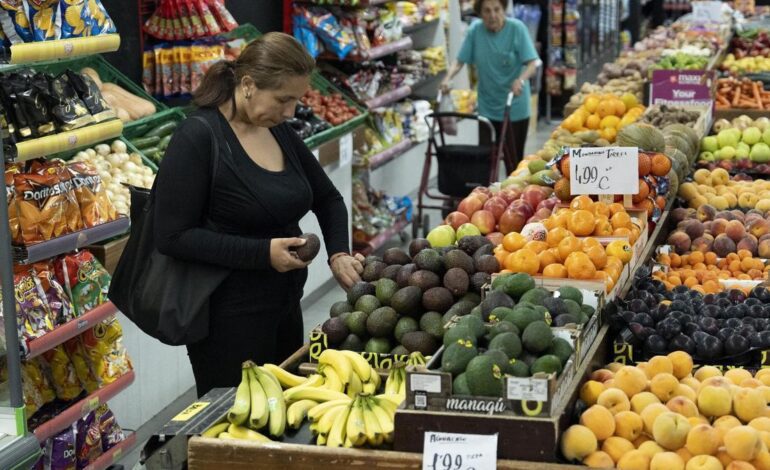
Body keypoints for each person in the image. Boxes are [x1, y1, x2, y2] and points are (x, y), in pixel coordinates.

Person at [153, 32, 364, 397]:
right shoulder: (199, 137)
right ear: (248, 84)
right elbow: (172, 236)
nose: (290, 112)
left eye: (296, 100)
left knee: (282, 418)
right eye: (283, 99)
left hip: (284, 306)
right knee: (238, 429)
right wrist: (262, 253)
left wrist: (338, 253)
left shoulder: (280, 132)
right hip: (226, 320)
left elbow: (328, 198)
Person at [442, 0, 541, 172]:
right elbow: (460, 60)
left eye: (497, 9)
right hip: (488, 107)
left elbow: (533, 63)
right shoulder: (475, 31)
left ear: (504, 10)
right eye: (486, 11)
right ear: (480, 14)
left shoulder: (517, 29)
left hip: (514, 107)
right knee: (485, 160)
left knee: (514, 162)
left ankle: (516, 197)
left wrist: (521, 79)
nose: (492, 15)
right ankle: (486, 196)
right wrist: (447, 78)